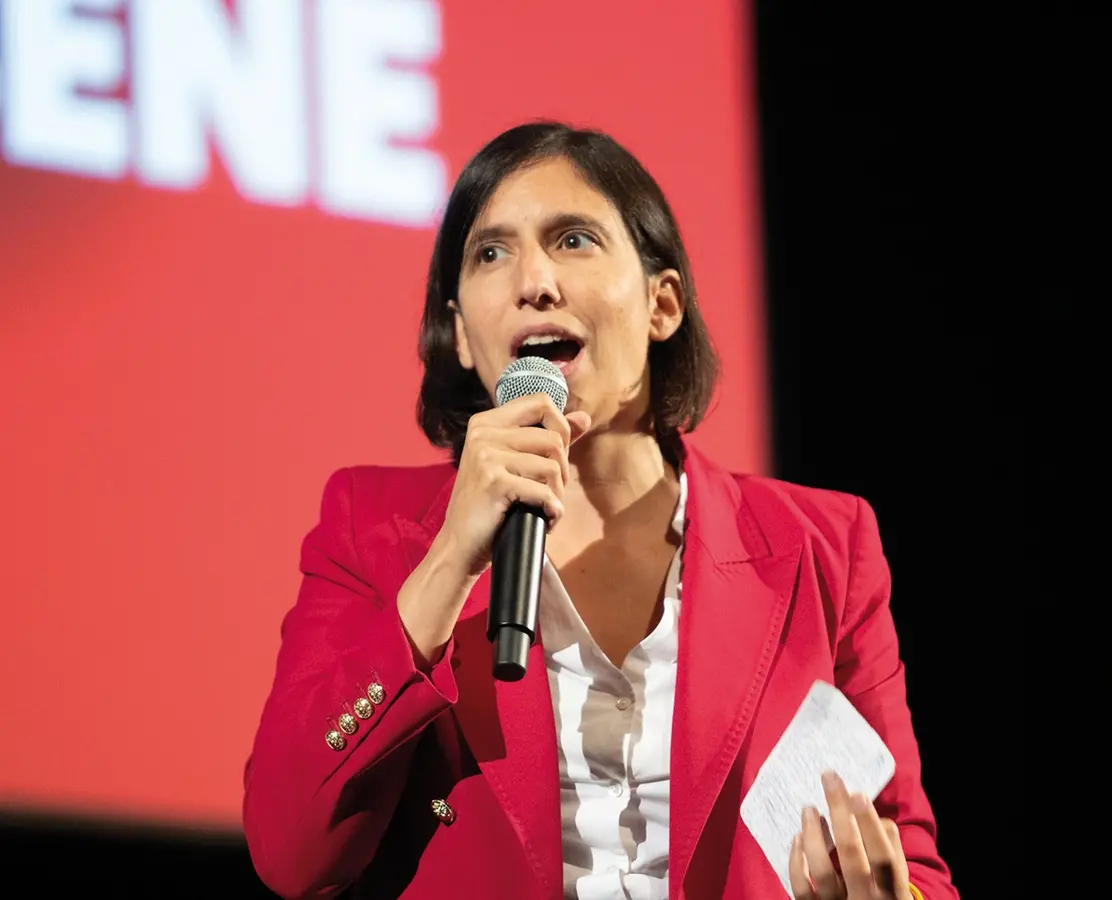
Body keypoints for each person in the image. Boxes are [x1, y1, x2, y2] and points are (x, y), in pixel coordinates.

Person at [242, 121, 958, 900]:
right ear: (458, 333)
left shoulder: (823, 546)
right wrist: (449, 561)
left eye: (574, 240)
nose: (533, 281)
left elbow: (910, 862)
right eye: (491, 253)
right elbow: (291, 853)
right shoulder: (371, 525)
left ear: (663, 303)